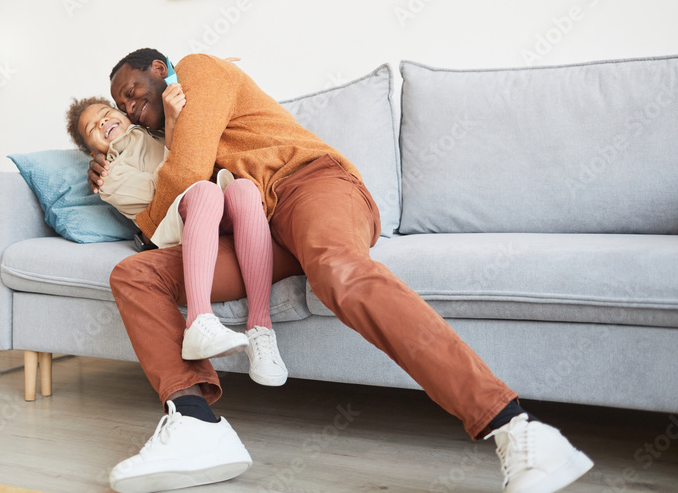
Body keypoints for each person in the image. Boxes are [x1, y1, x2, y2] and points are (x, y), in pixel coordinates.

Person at [90, 48, 594, 493]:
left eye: (133, 91)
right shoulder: (161, 140)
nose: (132, 107)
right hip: (261, 231)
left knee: (336, 270)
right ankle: (196, 423)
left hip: (310, 183)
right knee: (136, 274)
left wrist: (172, 165)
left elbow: (186, 177)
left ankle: (517, 427)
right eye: (124, 105)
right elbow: (165, 226)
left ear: (161, 69)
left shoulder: (197, 69)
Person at [65, 90, 288, 386]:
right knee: (204, 191)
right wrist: (172, 127)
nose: (103, 123)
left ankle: (261, 330)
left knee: (244, 189)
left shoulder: (153, 130)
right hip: (174, 219)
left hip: (217, 204)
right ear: (90, 148)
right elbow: (169, 187)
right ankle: (199, 322)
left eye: (106, 114)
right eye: (92, 128)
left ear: (123, 114)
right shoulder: (109, 178)